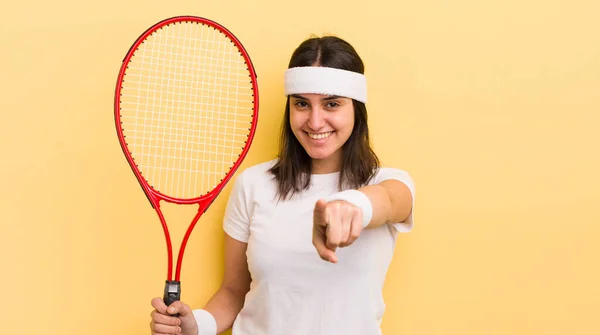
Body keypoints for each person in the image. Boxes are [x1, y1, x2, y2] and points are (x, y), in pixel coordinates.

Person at [149, 35, 415, 335]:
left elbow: (389, 201)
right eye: (302, 103)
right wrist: (197, 325)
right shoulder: (253, 184)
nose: (315, 122)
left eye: (331, 104)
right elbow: (234, 291)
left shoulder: (388, 183)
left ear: (356, 109)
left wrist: (353, 206)